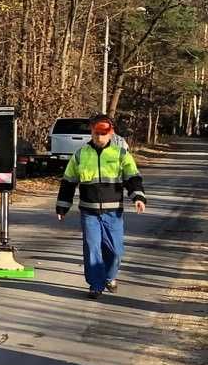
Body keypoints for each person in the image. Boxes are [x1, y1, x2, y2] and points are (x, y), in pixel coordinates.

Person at [55, 114, 146, 297]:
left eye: (103, 133)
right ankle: (95, 285)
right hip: (89, 212)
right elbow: (68, 182)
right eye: (96, 133)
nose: (99, 137)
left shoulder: (120, 154)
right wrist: (63, 206)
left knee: (115, 251)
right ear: (92, 131)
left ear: (111, 133)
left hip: (113, 212)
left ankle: (110, 277)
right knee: (92, 247)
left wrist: (138, 197)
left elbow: (132, 177)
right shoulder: (81, 154)